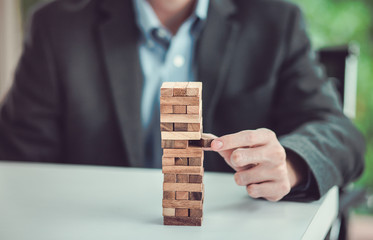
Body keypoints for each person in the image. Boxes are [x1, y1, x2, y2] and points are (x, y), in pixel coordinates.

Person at [0, 0, 365, 202]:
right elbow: (16, 156)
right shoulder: (56, 27)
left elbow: (341, 135)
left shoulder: (276, 21)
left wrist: (290, 163)